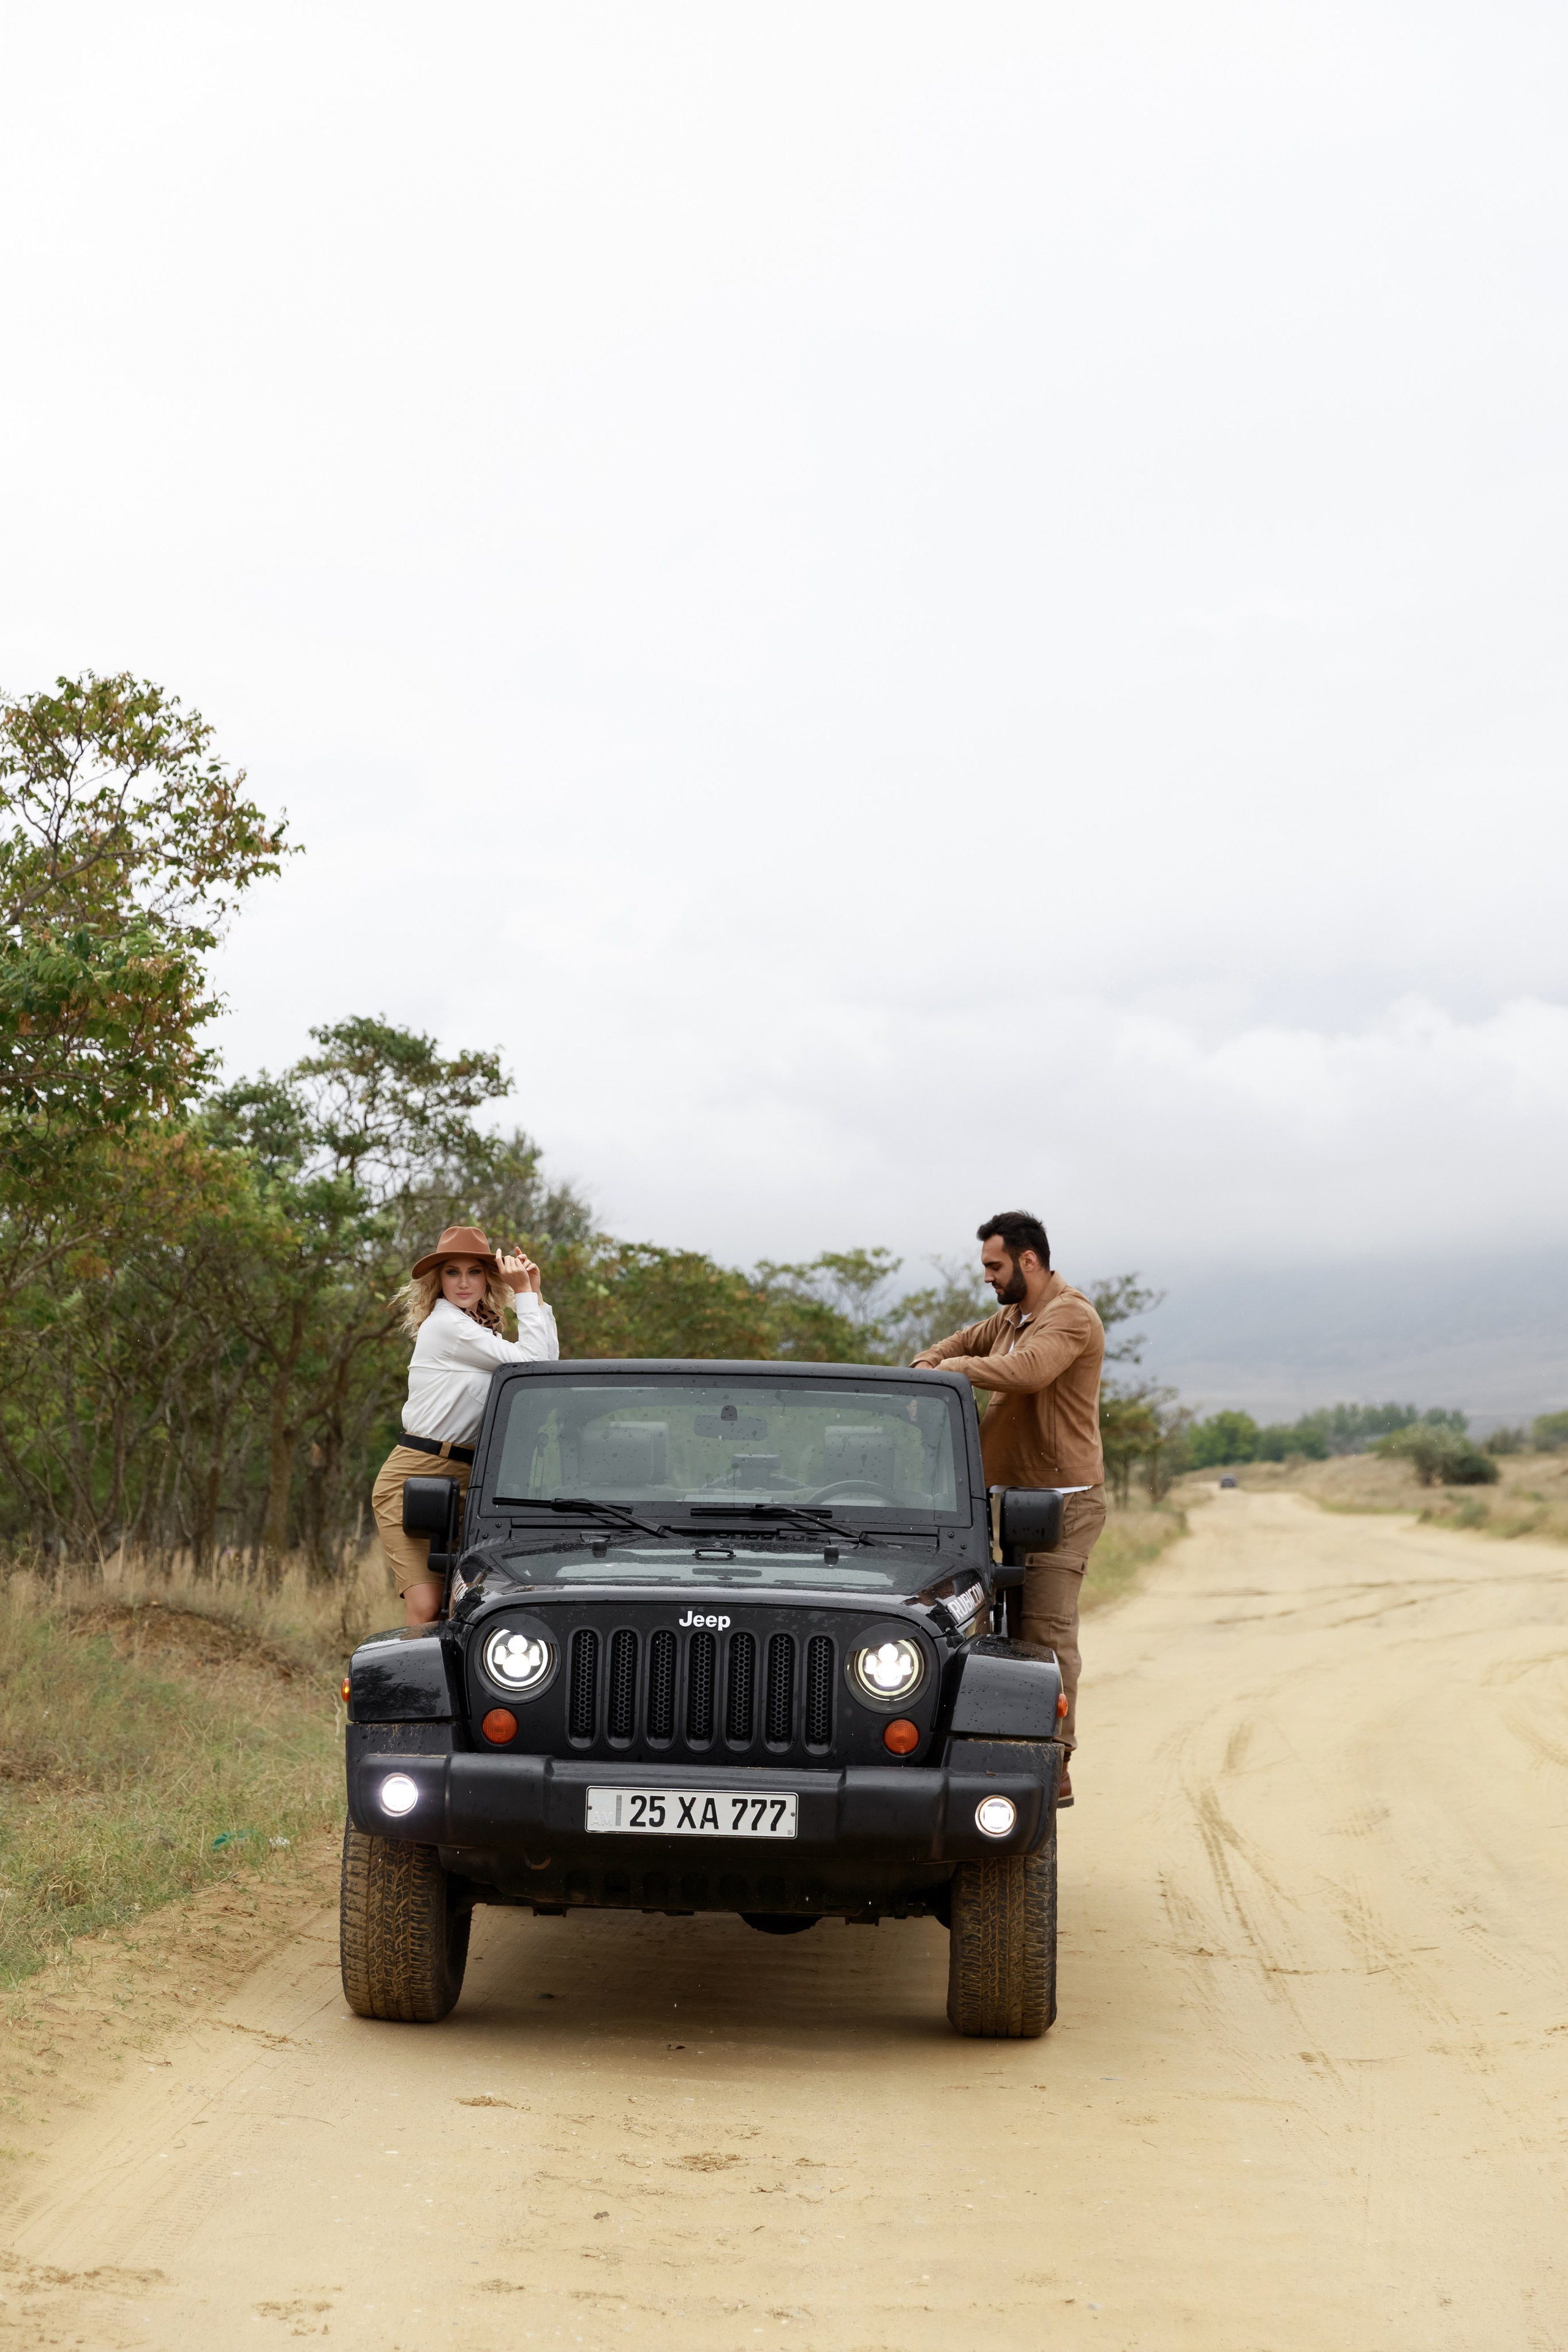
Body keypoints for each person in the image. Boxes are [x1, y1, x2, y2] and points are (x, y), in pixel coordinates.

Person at [911, 1210, 1105, 1802]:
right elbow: (950, 1346)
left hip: (1064, 1505)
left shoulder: (1070, 1315)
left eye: (994, 1265)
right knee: (990, 1631)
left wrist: (954, 1371)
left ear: (1028, 1260)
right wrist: (927, 1369)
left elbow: (1028, 1371)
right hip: (1003, 1501)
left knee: (1043, 1631)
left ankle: (1055, 1759)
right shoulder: (1009, 1318)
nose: (987, 1276)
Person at [371, 1224, 559, 1627]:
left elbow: (544, 1373)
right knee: (426, 1606)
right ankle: (414, 1670)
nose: (463, 1282)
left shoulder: (479, 1328)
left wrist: (535, 1295)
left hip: (472, 1479)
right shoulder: (447, 1326)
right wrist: (523, 1296)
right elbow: (531, 1364)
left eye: (474, 1272)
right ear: (438, 1280)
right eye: (452, 1272)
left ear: (487, 1278)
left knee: (464, 1607)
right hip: (417, 1475)